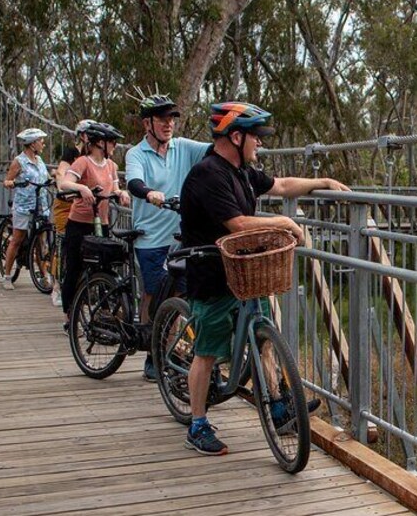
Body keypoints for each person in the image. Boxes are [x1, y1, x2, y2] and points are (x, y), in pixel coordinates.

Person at [179, 102, 349, 455]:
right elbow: (237, 224)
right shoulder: (209, 173)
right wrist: (284, 223)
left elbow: (283, 185)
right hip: (211, 275)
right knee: (208, 351)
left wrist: (324, 181)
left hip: (244, 271)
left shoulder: (242, 171)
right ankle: (197, 424)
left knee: (264, 339)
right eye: (255, 137)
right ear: (235, 136)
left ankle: (277, 404)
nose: (260, 143)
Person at [125, 94, 211, 382]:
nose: (169, 123)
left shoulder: (183, 147)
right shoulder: (136, 154)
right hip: (150, 239)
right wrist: (149, 193)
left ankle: (167, 352)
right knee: (154, 294)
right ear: (147, 123)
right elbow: (133, 182)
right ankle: (152, 352)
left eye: (172, 118)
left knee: (177, 297)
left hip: (180, 238)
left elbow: (215, 150)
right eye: (162, 118)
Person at [58, 122, 131, 328]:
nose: (115, 146)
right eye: (112, 142)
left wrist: (121, 193)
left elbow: (115, 187)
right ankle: (69, 315)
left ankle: (104, 313)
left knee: (104, 268)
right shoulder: (83, 162)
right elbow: (65, 183)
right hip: (80, 224)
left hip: (103, 223)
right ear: (100, 143)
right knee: (75, 268)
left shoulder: (111, 165)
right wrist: (81, 188)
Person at [49, 119, 94, 307]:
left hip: (86, 206)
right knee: (63, 243)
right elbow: (61, 173)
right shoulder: (72, 153)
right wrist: (64, 189)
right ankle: (57, 287)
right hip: (67, 204)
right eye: (92, 135)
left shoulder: (96, 155)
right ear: (83, 136)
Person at [1, 128, 51, 290]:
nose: (43, 143)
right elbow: (7, 180)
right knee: (17, 239)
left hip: (41, 206)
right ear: (32, 144)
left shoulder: (40, 160)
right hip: (24, 207)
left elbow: (46, 177)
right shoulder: (19, 161)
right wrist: (12, 183)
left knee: (41, 243)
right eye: (40, 140)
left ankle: (44, 276)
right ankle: (7, 276)